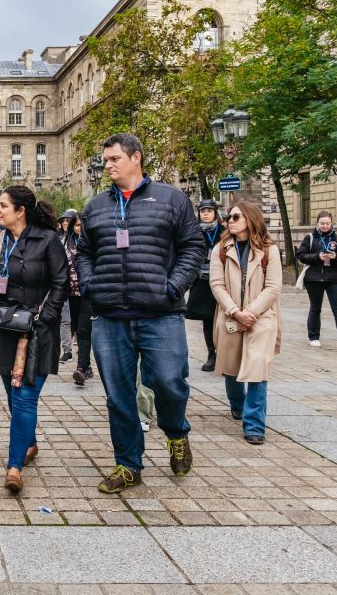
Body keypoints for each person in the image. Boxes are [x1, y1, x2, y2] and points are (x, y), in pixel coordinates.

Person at [76, 133, 205, 494]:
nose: (108, 165)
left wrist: (173, 286)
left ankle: (177, 432)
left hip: (160, 313)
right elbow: (84, 251)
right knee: (118, 396)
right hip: (110, 315)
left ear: (136, 158)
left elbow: (193, 246)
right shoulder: (97, 205)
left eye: (115, 158)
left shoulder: (171, 198)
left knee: (169, 381)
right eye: (105, 160)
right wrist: (90, 284)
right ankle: (129, 464)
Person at [0, 186, 68, 492]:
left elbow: (60, 281)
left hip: (38, 331)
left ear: (20, 210)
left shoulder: (48, 239)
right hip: (2, 330)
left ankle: (14, 466)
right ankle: (30, 444)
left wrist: (46, 317)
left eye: (3, 205)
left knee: (25, 396)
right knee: (15, 398)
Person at [209, 202, 282, 445]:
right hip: (230, 316)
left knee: (257, 368)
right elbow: (216, 285)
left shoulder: (269, 250)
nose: (230, 220)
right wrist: (234, 311)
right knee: (231, 366)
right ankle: (238, 405)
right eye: (228, 217)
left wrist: (250, 312)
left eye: (236, 216)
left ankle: (254, 425)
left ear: (250, 219)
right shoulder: (221, 249)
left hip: (261, 317)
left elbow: (273, 287)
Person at [295, 211, 337, 352]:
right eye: (322, 223)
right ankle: (313, 337)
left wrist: (335, 256)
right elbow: (301, 255)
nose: (325, 226)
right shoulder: (310, 238)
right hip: (314, 279)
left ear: (331, 223)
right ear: (317, 223)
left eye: (327, 223)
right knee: (315, 308)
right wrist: (318, 256)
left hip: (334, 279)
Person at [186, 199, 225, 372]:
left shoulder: (225, 232)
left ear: (215, 212)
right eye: (203, 211)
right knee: (207, 318)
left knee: (223, 318)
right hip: (201, 280)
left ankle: (225, 354)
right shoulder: (193, 232)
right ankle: (212, 353)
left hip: (222, 280)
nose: (206, 214)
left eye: (209, 211)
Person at [62, 213, 95, 386]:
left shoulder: (93, 243)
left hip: (87, 292)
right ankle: (87, 366)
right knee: (76, 327)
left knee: (83, 329)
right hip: (71, 292)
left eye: (82, 225)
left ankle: (82, 367)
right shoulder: (65, 243)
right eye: (76, 225)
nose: (79, 228)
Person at [57, 210, 76, 364]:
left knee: (77, 322)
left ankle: (83, 358)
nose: (65, 223)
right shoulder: (57, 239)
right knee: (65, 319)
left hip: (78, 286)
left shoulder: (80, 239)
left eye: (67, 221)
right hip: (63, 283)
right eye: (63, 221)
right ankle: (67, 351)